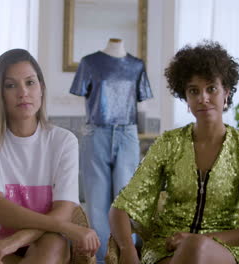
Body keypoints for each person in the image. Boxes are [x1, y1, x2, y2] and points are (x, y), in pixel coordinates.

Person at [108, 41, 239, 264]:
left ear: (226, 94)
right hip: (165, 251)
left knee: (196, 247)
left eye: (211, 88)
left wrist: (201, 239)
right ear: (186, 98)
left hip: (221, 252)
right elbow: (121, 208)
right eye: (194, 91)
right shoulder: (168, 144)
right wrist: (127, 250)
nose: (203, 98)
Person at [0, 49, 100, 264]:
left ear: (41, 88)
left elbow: (63, 211)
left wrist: (12, 242)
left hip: (42, 241)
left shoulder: (63, 142)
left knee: (54, 243)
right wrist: (67, 228)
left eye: (30, 82)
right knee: (55, 238)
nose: (23, 92)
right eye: (11, 85)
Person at [69, 38, 153, 263]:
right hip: (96, 133)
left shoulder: (137, 65)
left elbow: (142, 104)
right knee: (97, 204)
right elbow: (82, 99)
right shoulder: (89, 62)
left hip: (128, 134)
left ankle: (126, 256)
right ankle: (101, 259)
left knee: (126, 202)